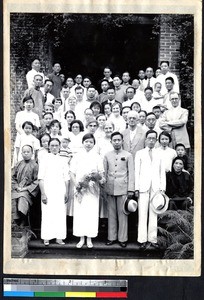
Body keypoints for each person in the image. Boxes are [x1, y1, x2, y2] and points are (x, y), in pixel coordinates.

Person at [70, 133, 105, 248]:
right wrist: (78, 186)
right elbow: (72, 173)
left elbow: (101, 173)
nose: (88, 144)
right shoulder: (77, 156)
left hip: (93, 189)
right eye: (86, 142)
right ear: (83, 143)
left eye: (91, 142)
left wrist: (96, 179)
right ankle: (81, 238)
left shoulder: (97, 157)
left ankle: (89, 238)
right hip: (80, 189)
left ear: (94, 143)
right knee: (80, 212)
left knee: (91, 212)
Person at [135, 130, 166, 249]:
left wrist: (162, 188)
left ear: (156, 140)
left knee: (154, 213)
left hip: (156, 188)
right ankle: (142, 239)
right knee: (142, 213)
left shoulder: (159, 154)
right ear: (146, 139)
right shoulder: (140, 153)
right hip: (143, 187)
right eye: (149, 138)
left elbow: (161, 172)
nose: (151, 140)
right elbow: (137, 171)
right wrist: (136, 188)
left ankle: (153, 239)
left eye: (154, 138)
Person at [104, 132, 135, 248]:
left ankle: (122, 238)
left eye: (118, 140)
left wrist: (130, 189)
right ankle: (111, 237)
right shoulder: (107, 155)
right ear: (111, 141)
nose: (116, 142)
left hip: (123, 188)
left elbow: (131, 173)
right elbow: (105, 172)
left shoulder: (128, 155)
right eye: (114, 140)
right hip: (110, 188)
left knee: (123, 215)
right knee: (111, 214)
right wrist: (105, 188)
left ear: (122, 141)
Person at [38, 138, 69, 246]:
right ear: (49, 147)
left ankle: (59, 237)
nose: (54, 147)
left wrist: (66, 192)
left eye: (56, 145)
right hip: (48, 189)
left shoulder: (63, 160)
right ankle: (47, 236)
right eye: (52, 145)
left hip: (60, 190)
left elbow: (66, 178)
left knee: (60, 213)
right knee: (47, 213)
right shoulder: (44, 159)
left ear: (60, 146)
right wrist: (43, 193)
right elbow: (40, 178)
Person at [12, 145, 39, 227]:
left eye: (28, 152)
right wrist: (16, 187)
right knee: (12, 199)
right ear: (21, 153)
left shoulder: (35, 165)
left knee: (22, 199)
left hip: (28, 191)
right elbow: (12, 177)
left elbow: (37, 181)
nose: (26, 154)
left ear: (32, 153)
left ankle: (24, 220)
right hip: (17, 189)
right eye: (24, 152)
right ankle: (16, 220)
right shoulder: (18, 164)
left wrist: (25, 188)